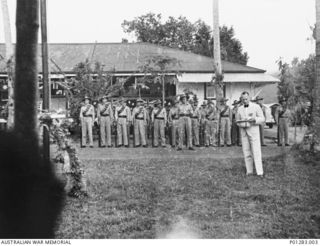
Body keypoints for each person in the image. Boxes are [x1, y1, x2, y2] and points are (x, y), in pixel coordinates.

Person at [236, 91, 265, 177]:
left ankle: (260, 172)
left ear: (249, 98)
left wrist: (255, 120)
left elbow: (262, 118)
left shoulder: (256, 107)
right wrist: (242, 124)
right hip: (244, 132)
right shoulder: (239, 108)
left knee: (256, 151)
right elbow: (237, 121)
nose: (245, 101)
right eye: (243, 99)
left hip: (254, 131)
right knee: (246, 151)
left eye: (246, 99)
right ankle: (249, 171)